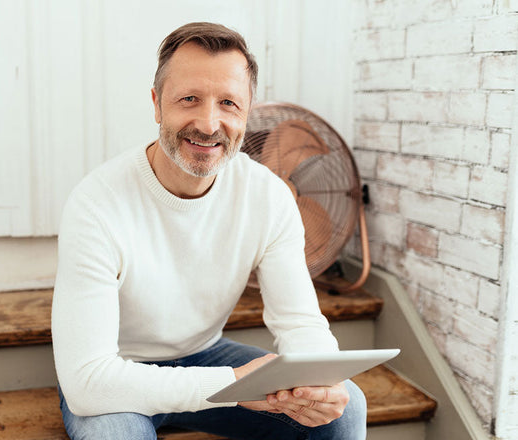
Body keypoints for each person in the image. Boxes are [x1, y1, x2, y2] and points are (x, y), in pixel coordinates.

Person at [51, 22, 366, 440]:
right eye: (189, 99)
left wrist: (320, 377)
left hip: (206, 354)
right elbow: (89, 382)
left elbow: (299, 322)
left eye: (228, 104)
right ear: (157, 104)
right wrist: (229, 386)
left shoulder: (268, 196)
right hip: (117, 369)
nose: (208, 123)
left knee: (345, 407)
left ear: (247, 112)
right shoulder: (96, 204)